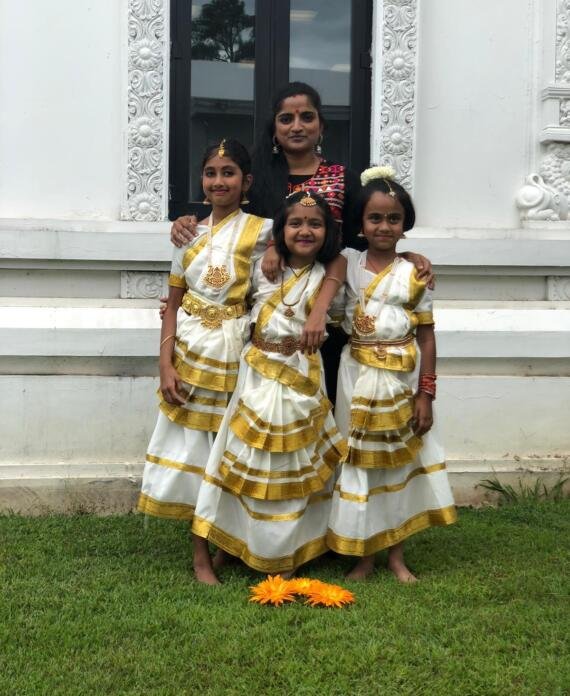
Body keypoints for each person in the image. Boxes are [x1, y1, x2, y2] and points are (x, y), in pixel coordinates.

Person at [169, 82, 433, 399]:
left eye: (306, 117)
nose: (296, 126)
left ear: (321, 126)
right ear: (274, 128)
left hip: (328, 317)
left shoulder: (344, 179)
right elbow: (227, 226)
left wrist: (405, 257)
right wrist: (189, 229)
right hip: (264, 316)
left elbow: (366, 241)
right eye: (286, 119)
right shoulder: (256, 178)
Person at [191, 191, 347, 583]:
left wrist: (321, 308)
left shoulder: (329, 276)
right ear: (280, 231)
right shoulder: (263, 266)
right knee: (244, 456)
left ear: (328, 232)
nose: (305, 231)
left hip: (302, 377)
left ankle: (288, 550)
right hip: (256, 375)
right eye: (295, 223)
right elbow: (222, 294)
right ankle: (232, 541)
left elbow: (348, 268)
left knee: (293, 463)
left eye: (315, 224)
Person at [137, 139, 273, 585]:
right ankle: (200, 555)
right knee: (194, 452)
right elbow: (173, 303)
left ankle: (227, 543)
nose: (219, 181)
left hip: (236, 353)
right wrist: (165, 364)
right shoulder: (186, 233)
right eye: (211, 173)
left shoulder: (263, 232)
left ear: (246, 181)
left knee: (228, 450)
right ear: (201, 180)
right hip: (191, 351)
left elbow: (306, 253)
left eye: (228, 172)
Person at [326, 166, 456, 582]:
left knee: (399, 462)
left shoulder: (416, 273)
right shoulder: (346, 263)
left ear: (405, 224)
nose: (384, 226)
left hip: (403, 378)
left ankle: (396, 555)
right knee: (359, 460)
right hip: (356, 374)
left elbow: (427, 337)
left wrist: (425, 394)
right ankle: (364, 556)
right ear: (360, 223)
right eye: (375, 218)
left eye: (394, 218)